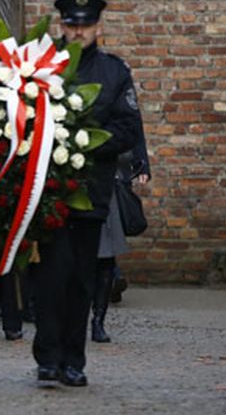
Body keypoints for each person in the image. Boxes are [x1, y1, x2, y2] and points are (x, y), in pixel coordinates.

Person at [32, 0, 143, 387]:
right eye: (71, 24)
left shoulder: (114, 72)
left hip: (91, 191)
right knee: (49, 277)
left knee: (80, 279)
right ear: (61, 25)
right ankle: (46, 357)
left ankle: (73, 360)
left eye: (85, 25)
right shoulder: (42, 66)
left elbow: (129, 128)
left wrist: (84, 141)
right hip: (46, 192)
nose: (78, 31)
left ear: (98, 27)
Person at [92, 135, 150, 343]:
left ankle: (98, 320)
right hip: (77, 174)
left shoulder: (119, 101)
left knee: (106, 255)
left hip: (109, 177)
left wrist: (141, 163)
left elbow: (132, 124)